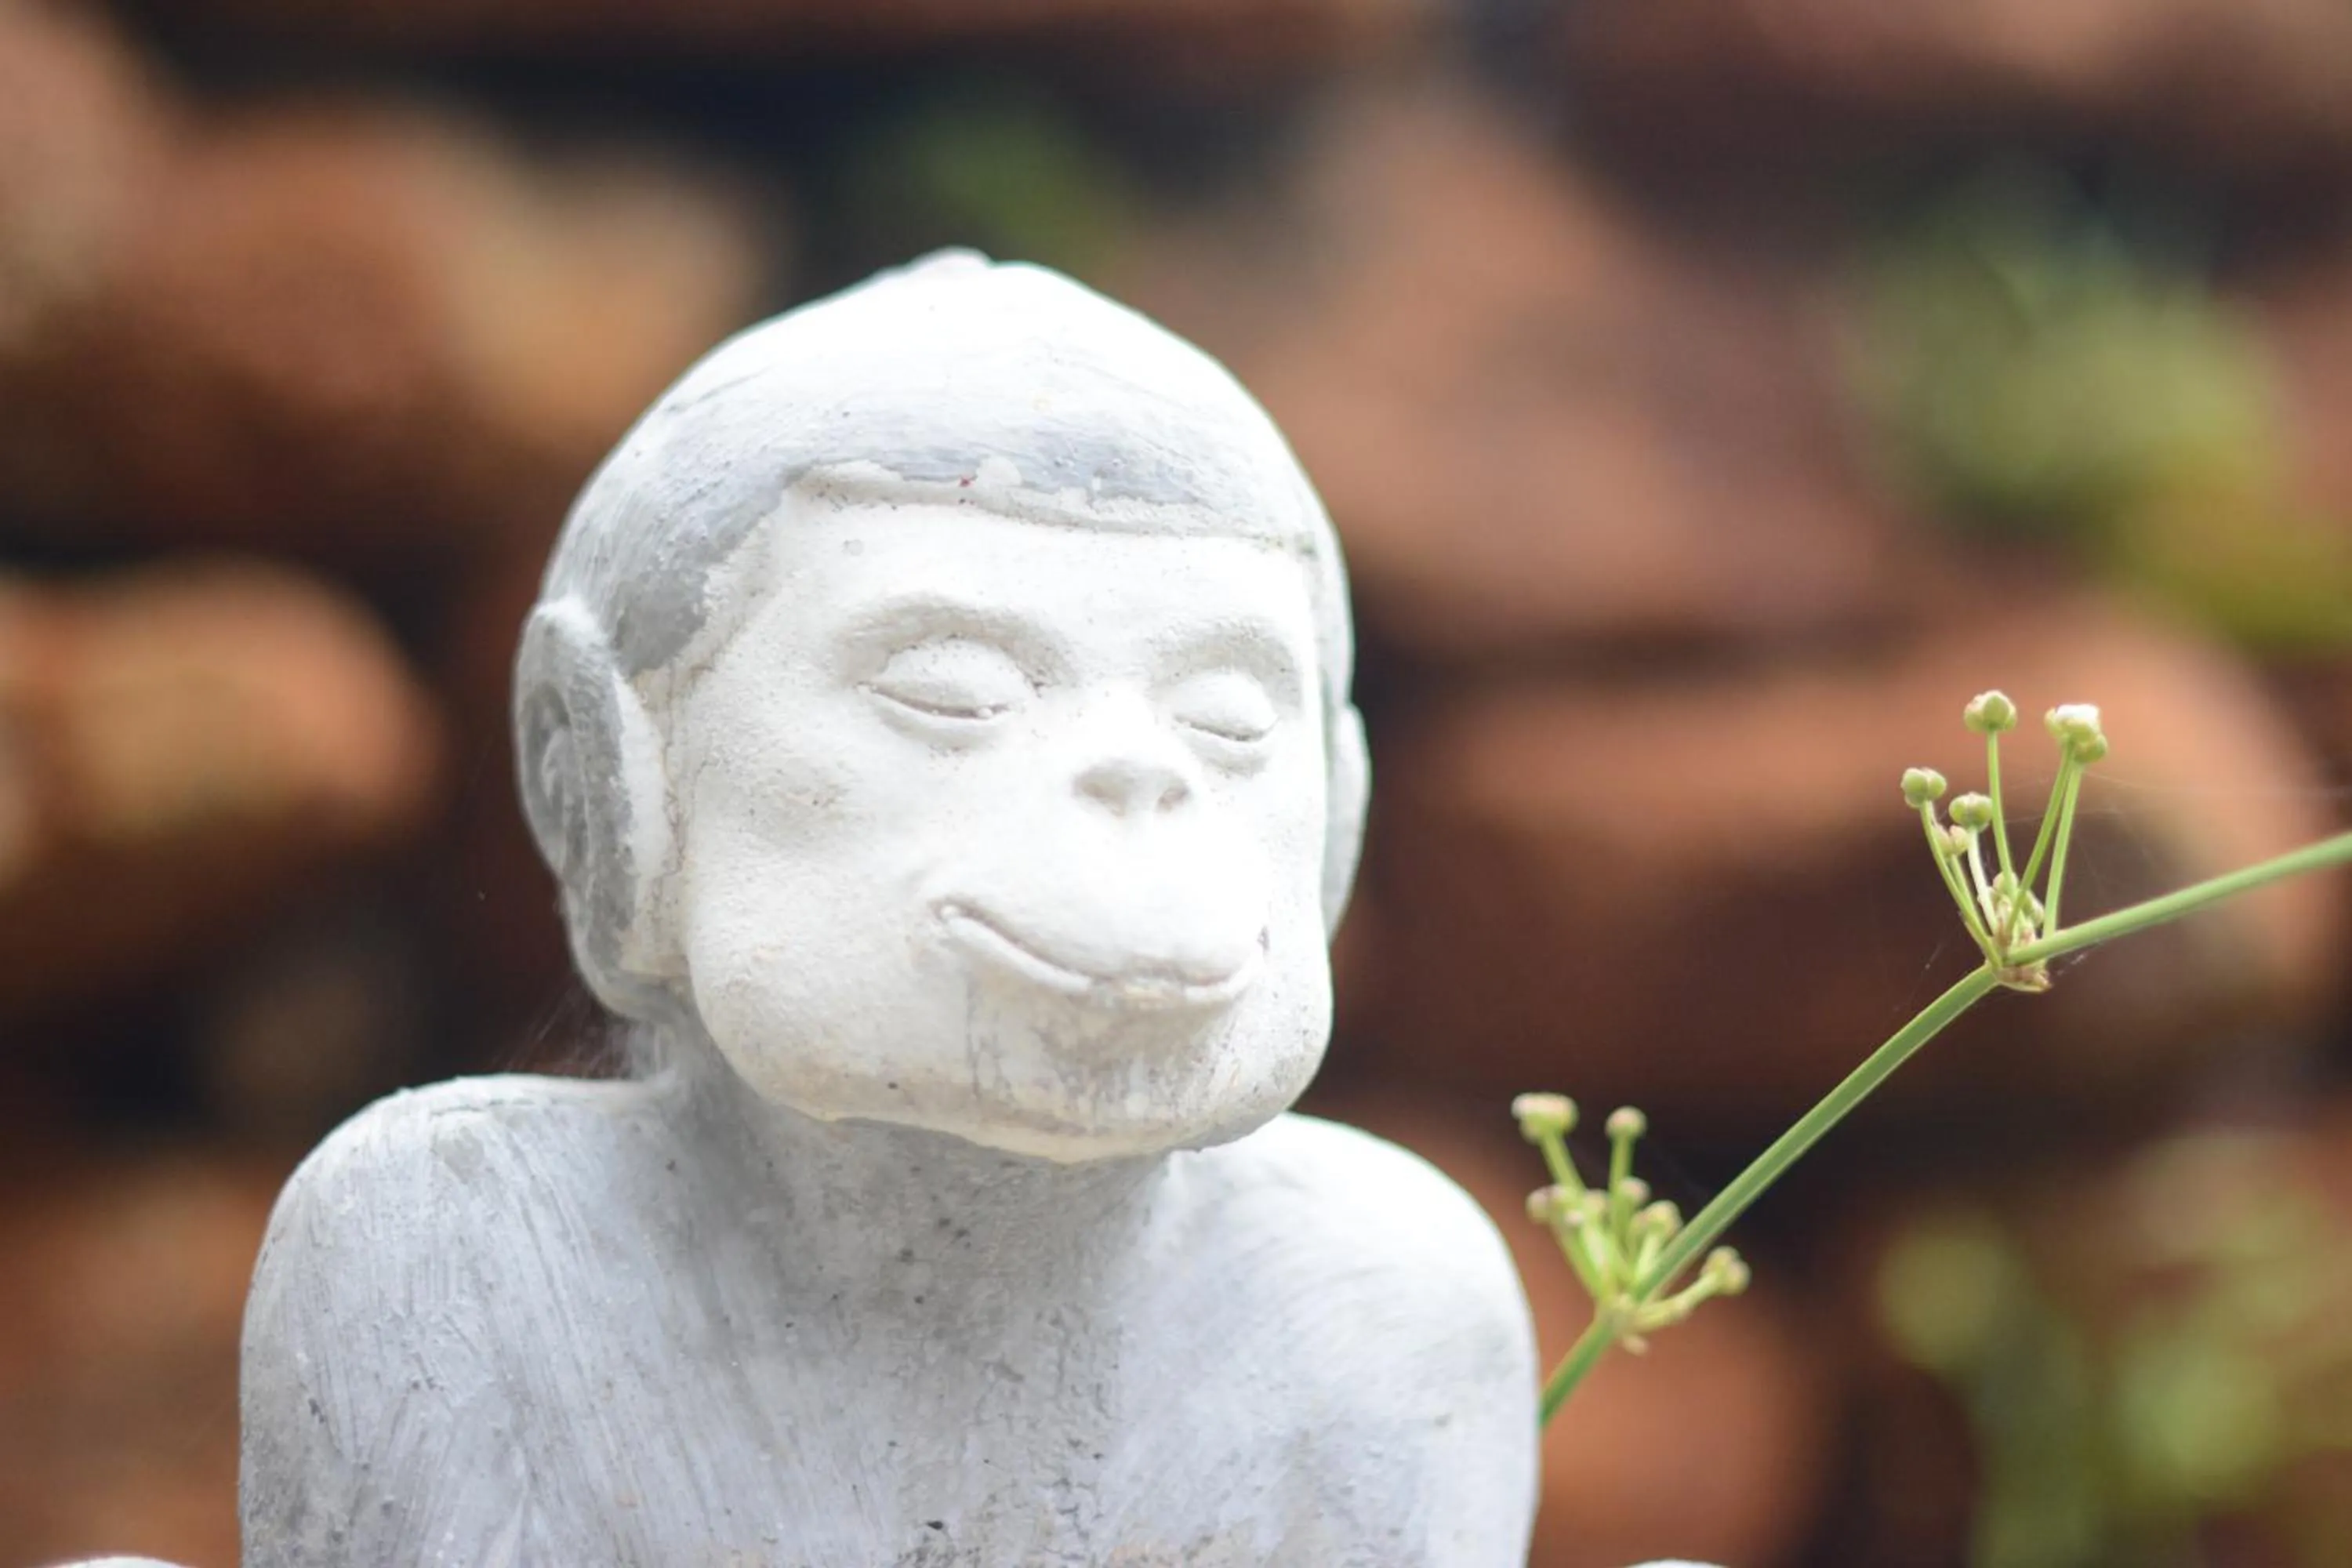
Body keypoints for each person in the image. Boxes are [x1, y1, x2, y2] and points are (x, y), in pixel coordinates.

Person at [234, 253, 1539, 1566]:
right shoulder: (467, 1251)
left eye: (1231, 719)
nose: (1142, 775)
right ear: (605, 784)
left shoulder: (1383, 1308)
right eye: (954, 690)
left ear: (1338, 817)